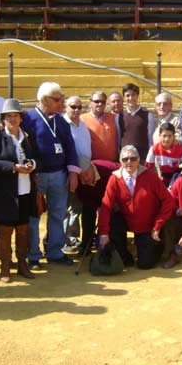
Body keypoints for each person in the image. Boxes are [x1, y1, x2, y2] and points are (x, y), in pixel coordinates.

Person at [22, 82, 80, 268]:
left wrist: (72, 172)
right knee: (33, 215)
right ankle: (33, 254)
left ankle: (54, 251)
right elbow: (22, 148)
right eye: (58, 99)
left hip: (59, 174)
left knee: (58, 213)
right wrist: (30, 172)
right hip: (37, 175)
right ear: (44, 100)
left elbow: (70, 146)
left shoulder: (61, 121)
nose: (61, 103)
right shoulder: (28, 119)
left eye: (62, 99)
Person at [0, 99, 38, 283]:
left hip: (25, 191)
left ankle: (22, 264)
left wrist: (32, 165)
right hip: (5, 193)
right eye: (9, 116)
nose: (13, 119)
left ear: (21, 118)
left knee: (23, 229)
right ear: (3, 119)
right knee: (5, 230)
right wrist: (13, 167)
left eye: (16, 115)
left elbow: (36, 157)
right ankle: (5, 266)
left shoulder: (27, 137)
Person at [98, 145, 175, 269]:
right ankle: (125, 256)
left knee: (145, 264)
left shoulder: (150, 176)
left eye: (133, 158)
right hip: (126, 220)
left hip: (147, 225)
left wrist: (158, 225)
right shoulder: (114, 178)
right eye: (125, 159)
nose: (129, 162)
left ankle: (158, 245)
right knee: (113, 222)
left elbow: (169, 201)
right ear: (120, 161)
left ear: (139, 160)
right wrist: (103, 234)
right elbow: (106, 206)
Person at [63, 96, 93, 252]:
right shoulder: (61, 125)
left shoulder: (83, 125)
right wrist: (72, 171)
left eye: (79, 107)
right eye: (73, 106)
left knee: (76, 208)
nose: (76, 110)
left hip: (84, 173)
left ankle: (72, 238)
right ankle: (63, 240)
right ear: (65, 107)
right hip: (68, 173)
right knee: (65, 208)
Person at [118, 83, 156, 163]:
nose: (131, 98)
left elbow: (150, 139)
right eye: (127, 96)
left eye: (133, 95)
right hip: (125, 158)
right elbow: (118, 138)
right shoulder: (119, 117)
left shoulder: (148, 115)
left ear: (137, 96)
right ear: (124, 97)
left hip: (142, 158)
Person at [145, 122, 182, 188]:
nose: (166, 139)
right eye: (164, 136)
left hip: (176, 177)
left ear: (174, 136)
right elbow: (148, 167)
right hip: (162, 176)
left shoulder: (181, 151)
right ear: (159, 136)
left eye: (169, 136)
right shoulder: (154, 149)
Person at [81, 90, 119, 162]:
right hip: (92, 165)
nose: (100, 104)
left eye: (103, 102)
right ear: (90, 103)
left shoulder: (114, 118)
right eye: (97, 101)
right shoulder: (82, 119)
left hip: (112, 164)